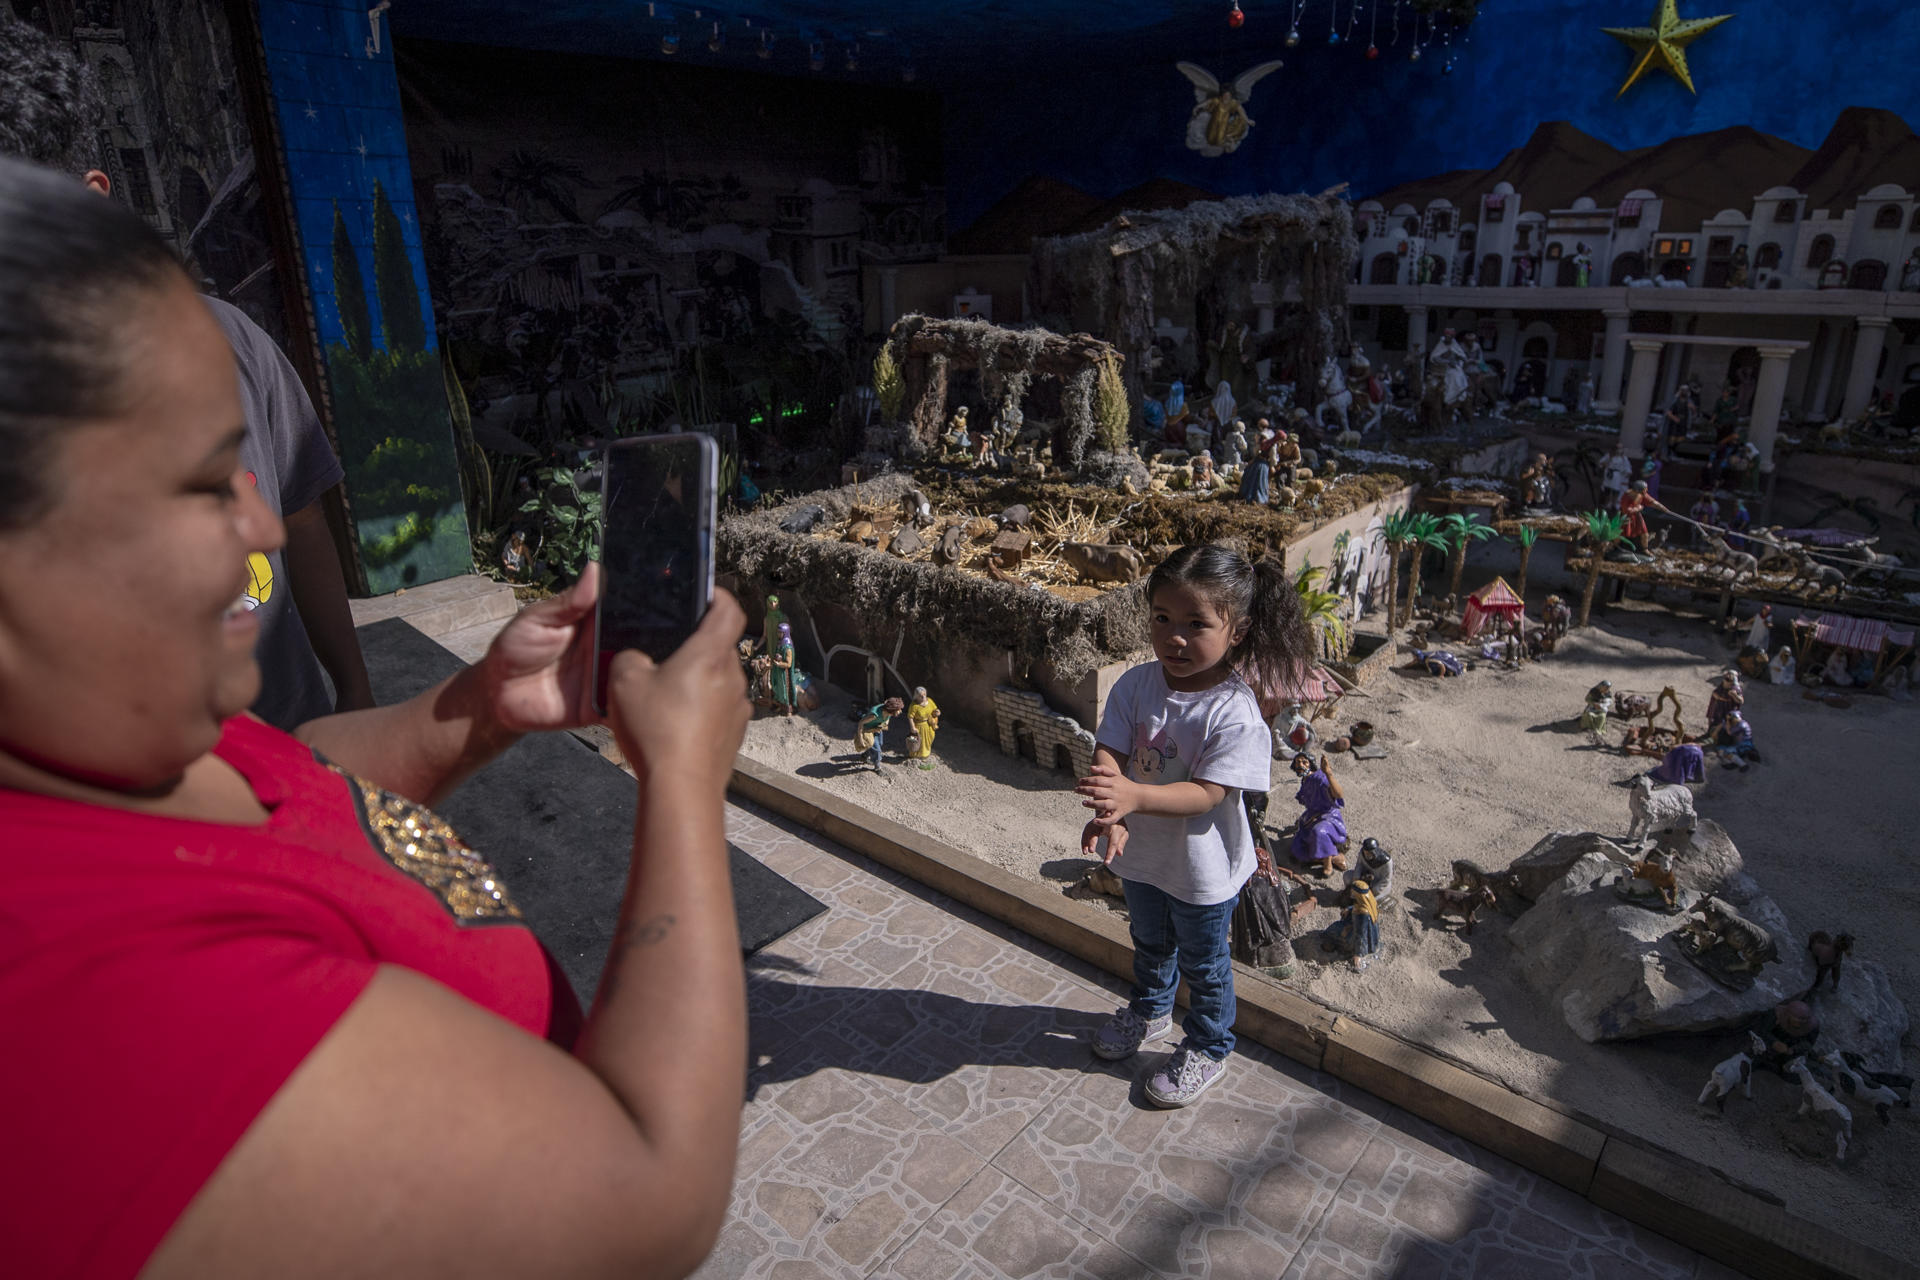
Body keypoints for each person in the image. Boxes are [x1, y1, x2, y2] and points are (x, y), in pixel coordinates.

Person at [0, 157, 753, 1278]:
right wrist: (686, 778)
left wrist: (477, 709)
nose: (266, 522)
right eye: (210, 482)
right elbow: (650, 1186)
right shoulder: (108, 1013)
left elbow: (285, 777)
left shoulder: (103, 731)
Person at [1, 19, 370, 729]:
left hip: (291, 736)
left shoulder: (227, 339)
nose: (251, 529)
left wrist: (352, 687)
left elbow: (300, 515)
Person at [1075, 543, 1311, 1107]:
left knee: (1206, 966)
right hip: (1142, 858)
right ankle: (1152, 1011)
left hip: (1202, 870)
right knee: (1149, 942)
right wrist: (1111, 809)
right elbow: (1108, 749)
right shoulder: (1136, 684)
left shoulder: (1235, 712)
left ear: (1238, 630)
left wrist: (1133, 794)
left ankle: (1209, 1044)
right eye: (1162, 618)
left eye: (1195, 623)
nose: (1174, 637)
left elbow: (1207, 794)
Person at [1287, 750, 1348, 875]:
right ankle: (1335, 858)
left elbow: (1338, 794)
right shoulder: (1306, 780)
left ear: (1311, 764)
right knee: (1297, 848)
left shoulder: (1320, 778)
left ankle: (1328, 864)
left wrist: (1329, 773)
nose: (1300, 765)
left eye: (1304, 762)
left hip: (1328, 817)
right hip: (1312, 815)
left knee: (1319, 832)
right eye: (1298, 762)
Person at [1327, 878, 1381, 972]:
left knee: (1334, 929)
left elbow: (1361, 935)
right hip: (1365, 930)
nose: (1351, 892)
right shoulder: (1368, 901)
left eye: (1353, 891)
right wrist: (1349, 909)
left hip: (1357, 935)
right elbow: (1359, 905)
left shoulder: (1362, 913)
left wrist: (1358, 954)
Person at [1619, 480, 1667, 556]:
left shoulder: (1642, 495)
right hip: (1626, 517)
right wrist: (1639, 508)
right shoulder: (1627, 496)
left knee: (1644, 533)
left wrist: (1663, 508)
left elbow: (1652, 502)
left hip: (1636, 516)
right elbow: (1627, 510)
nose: (1646, 491)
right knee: (1620, 532)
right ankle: (1616, 547)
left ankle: (1645, 549)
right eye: (1645, 489)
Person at [906, 685, 940, 769]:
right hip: (919, 726)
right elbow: (910, 717)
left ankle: (926, 753)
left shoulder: (930, 701)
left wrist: (937, 712)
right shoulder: (914, 705)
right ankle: (918, 755)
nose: (923, 697)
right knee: (920, 741)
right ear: (917, 696)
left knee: (929, 739)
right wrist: (912, 727)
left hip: (929, 725)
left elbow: (934, 709)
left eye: (924, 694)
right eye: (921, 695)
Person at [769, 621, 797, 716]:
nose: (778, 634)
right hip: (778, 671)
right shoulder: (779, 643)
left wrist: (779, 663)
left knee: (786, 690)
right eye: (778, 632)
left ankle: (789, 709)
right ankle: (779, 705)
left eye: (780, 632)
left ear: (785, 633)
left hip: (785, 674)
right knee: (777, 687)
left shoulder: (788, 647)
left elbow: (788, 664)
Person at [1600, 443, 1633, 509]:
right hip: (1609, 474)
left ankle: (1614, 504)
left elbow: (1627, 468)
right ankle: (1607, 503)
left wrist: (1627, 474)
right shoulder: (1609, 455)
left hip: (1617, 475)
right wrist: (1609, 460)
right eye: (1618, 448)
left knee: (1616, 490)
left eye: (1620, 448)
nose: (1619, 450)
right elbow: (1601, 463)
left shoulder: (1624, 458)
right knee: (1607, 490)